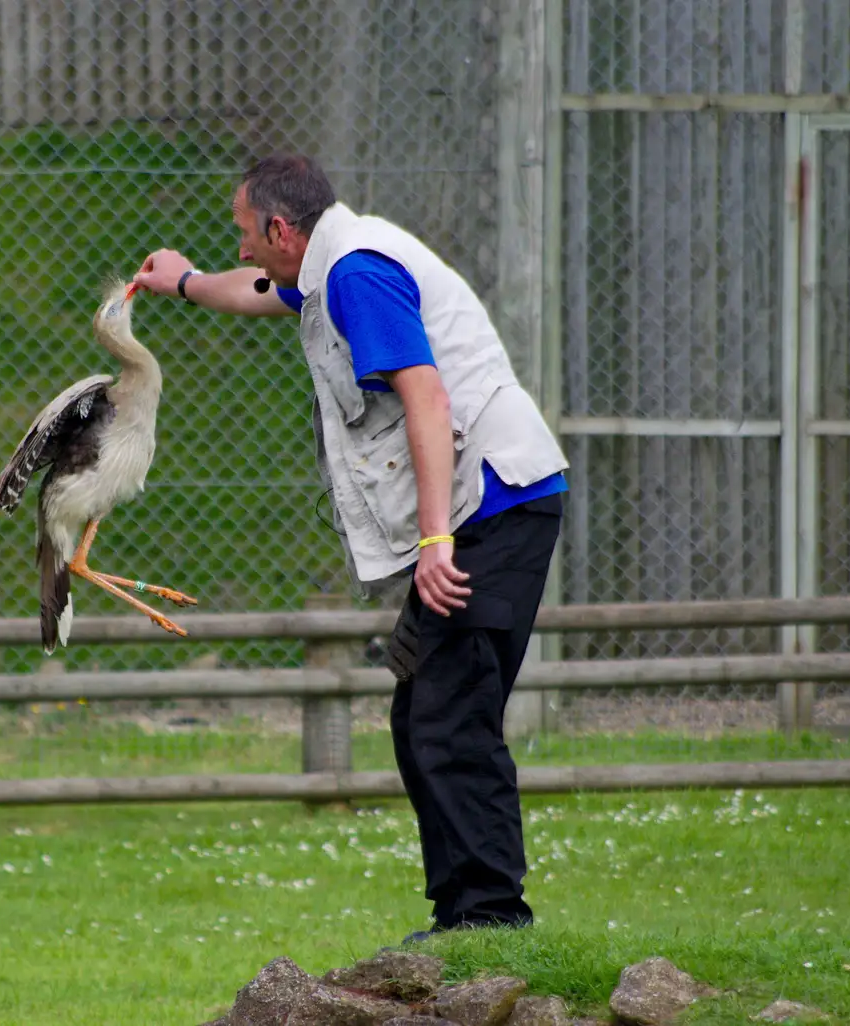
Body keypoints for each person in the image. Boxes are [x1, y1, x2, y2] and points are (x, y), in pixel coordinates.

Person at [132, 153, 569, 941]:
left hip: (494, 505)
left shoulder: (359, 275)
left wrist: (437, 539)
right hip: (481, 507)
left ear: (279, 228)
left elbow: (427, 399)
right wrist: (188, 282)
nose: (240, 251)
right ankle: (464, 918)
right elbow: (265, 291)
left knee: (450, 714)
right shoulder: (328, 261)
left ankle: (492, 920)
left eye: (243, 234)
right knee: (424, 714)